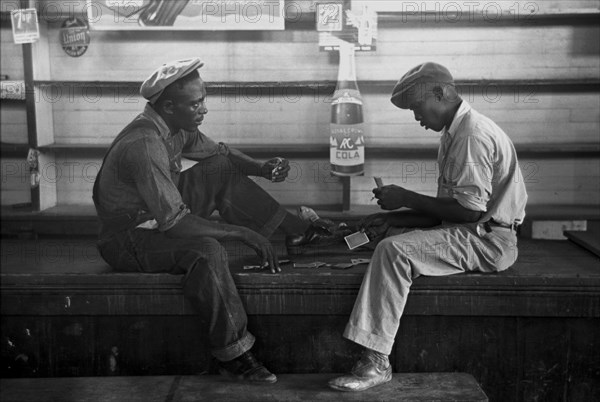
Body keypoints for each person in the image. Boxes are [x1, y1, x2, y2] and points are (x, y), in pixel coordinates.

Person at [92, 58, 339, 384]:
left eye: (203, 99)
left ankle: (298, 233)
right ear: (168, 106)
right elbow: (176, 224)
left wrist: (261, 168)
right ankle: (234, 354)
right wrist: (241, 233)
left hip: (156, 216)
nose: (204, 109)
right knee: (207, 250)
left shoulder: (174, 126)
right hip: (128, 238)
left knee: (220, 168)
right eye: (195, 103)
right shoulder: (145, 143)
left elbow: (219, 153)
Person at [328, 62, 528, 392]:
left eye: (417, 108)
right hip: (473, 230)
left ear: (440, 93)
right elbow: (443, 215)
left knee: (392, 252)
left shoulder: (471, 135)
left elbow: (466, 214)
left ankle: (376, 361)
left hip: (488, 241)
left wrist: (405, 196)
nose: (417, 118)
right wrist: (390, 218)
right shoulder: (455, 133)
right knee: (387, 236)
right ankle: (375, 346)